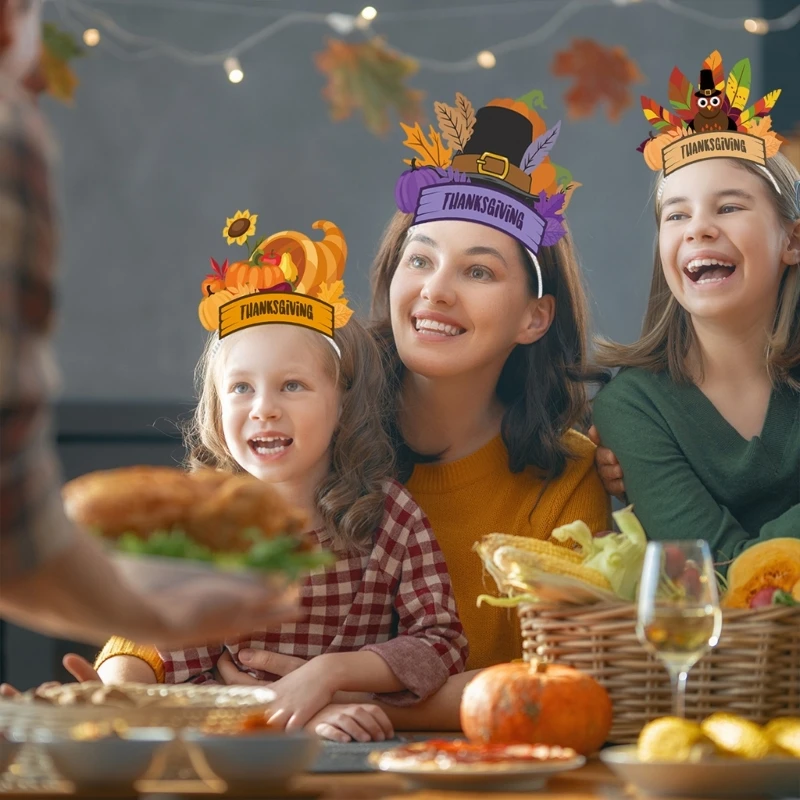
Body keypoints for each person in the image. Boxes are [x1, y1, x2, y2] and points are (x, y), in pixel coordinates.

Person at [88, 216, 469, 744]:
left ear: (342, 405)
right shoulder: (203, 532)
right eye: (241, 389)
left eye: (292, 385)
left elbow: (442, 644)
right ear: (217, 408)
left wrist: (333, 676)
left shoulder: (391, 516)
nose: (263, 409)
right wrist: (301, 718)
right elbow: (188, 679)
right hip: (237, 757)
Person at [0, 0, 300, 647]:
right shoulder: (7, 134)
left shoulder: (384, 522)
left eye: (294, 385)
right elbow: (10, 518)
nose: (42, 78)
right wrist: (148, 631)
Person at [591, 51, 800, 562]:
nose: (699, 228)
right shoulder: (632, 406)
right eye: (676, 215)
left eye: (728, 207)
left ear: (792, 241)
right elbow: (715, 574)